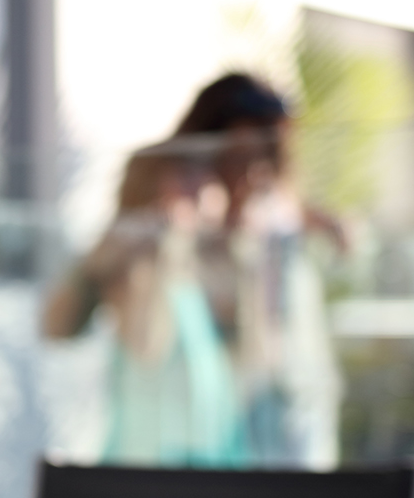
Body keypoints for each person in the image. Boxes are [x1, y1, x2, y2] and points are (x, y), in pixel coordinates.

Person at [44, 73, 341, 468]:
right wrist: (160, 240)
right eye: (237, 160)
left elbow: (265, 358)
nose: (251, 180)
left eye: (265, 163)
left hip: (255, 443)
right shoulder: (161, 243)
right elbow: (71, 326)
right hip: (163, 461)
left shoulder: (268, 229)